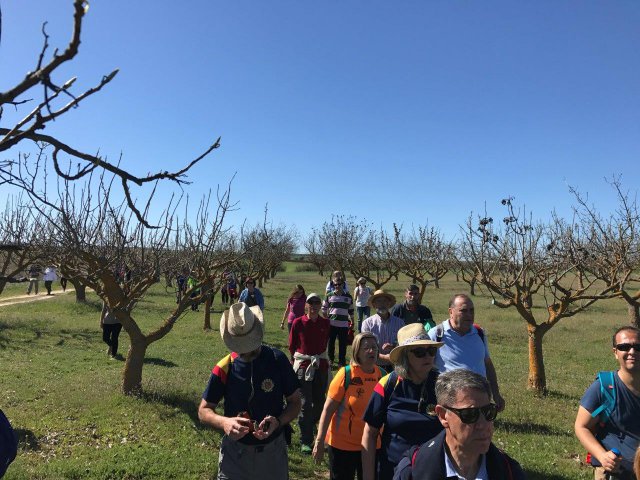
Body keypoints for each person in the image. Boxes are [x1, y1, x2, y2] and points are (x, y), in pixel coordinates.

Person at [198, 303, 302, 480]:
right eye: (241, 347)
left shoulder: (277, 360)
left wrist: (278, 421)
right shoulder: (225, 367)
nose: (245, 351)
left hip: (272, 455)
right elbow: (203, 410)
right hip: (235, 458)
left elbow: (295, 402)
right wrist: (224, 422)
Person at [394, 369, 525, 480]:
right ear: (443, 416)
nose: (483, 424)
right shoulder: (414, 470)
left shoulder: (509, 471)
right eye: (470, 414)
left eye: (488, 412)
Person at [362, 323, 444, 480]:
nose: (428, 356)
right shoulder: (388, 384)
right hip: (391, 472)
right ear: (405, 356)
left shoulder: (444, 385)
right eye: (420, 352)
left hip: (433, 472)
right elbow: (369, 433)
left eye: (431, 350)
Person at [313, 332, 384, 480]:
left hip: (373, 445)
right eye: (366, 348)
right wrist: (319, 442)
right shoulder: (345, 375)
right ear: (357, 351)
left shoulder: (382, 376)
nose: (371, 351)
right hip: (343, 446)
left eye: (374, 347)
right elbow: (327, 410)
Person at [575, 326, 640, 480]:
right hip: (614, 474)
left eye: (638, 347)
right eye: (624, 347)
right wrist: (602, 456)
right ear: (615, 353)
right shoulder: (604, 387)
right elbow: (581, 426)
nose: (632, 352)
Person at [426, 293, 505, 412]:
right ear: (451, 311)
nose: (469, 315)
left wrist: (496, 393)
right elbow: (423, 367)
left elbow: (487, 364)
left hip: (481, 399)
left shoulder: (479, 333)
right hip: (452, 403)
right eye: (463, 310)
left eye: (472, 310)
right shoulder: (436, 335)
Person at [289, 293, 330, 453]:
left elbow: (325, 342)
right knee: (305, 403)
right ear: (306, 305)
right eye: (311, 302)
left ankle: (311, 424)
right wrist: (295, 364)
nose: (314, 305)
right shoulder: (298, 322)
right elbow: (292, 345)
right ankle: (306, 440)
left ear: (320, 305)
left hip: (321, 366)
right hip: (303, 366)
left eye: (317, 302)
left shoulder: (325, 323)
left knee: (320, 402)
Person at [361, 289, 404, 372]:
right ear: (374, 305)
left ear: (389, 304)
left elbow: (403, 345)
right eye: (379, 301)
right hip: (373, 365)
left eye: (385, 301)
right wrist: (384, 357)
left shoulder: (400, 323)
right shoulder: (367, 323)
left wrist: (393, 347)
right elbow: (366, 347)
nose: (382, 304)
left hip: (395, 365)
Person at [323, 271, 355, 366]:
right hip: (331, 324)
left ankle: (341, 361)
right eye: (335, 285)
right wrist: (326, 317)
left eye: (339, 284)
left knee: (342, 345)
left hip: (344, 325)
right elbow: (324, 308)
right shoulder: (329, 295)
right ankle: (331, 360)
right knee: (331, 344)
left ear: (343, 284)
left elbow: (351, 310)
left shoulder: (348, 297)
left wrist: (352, 322)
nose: (337, 286)